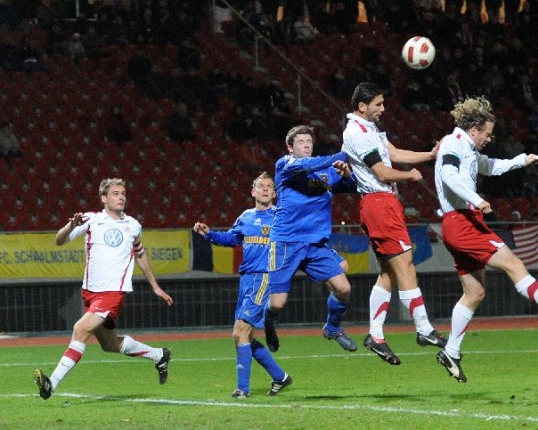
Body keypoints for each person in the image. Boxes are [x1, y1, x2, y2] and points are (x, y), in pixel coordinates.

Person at [433, 96, 538, 383]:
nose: (489, 137)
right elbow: (447, 175)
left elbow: (492, 166)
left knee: (475, 293)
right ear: (474, 130)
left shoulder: (467, 148)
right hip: (462, 221)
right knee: (513, 263)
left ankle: (451, 351)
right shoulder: (453, 144)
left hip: (459, 223)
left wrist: (522, 160)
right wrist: (476, 198)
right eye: (487, 133)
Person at [34, 178, 173, 400]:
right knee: (110, 344)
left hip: (112, 293)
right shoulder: (90, 220)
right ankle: (159, 355)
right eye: (116, 193)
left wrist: (155, 286)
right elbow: (59, 241)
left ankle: (52, 383)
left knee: (80, 330)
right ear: (104, 198)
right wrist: (71, 224)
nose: (121, 197)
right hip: (90, 292)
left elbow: (140, 253)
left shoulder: (133, 225)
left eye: (123, 193)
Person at [343, 81, 447, 365]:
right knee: (406, 265)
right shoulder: (357, 133)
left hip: (381, 203)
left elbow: (396, 155)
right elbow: (382, 171)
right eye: (378, 104)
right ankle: (424, 329)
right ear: (362, 106)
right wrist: (410, 176)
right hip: (379, 203)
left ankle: (375, 336)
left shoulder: (370, 129)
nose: (383, 109)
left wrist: (430, 155)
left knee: (389, 273)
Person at [193, 172, 293, 397]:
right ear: (253, 191)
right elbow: (231, 239)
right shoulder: (245, 217)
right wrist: (209, 235)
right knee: (241, 335)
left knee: (240, 332)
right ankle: (280, 377)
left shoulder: (281, 216)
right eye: (261, 186)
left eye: (269, 186)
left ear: (275, 193)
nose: (265, 189)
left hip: (265, 277)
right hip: (247, 278)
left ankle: (243, 389)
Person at [264, 125, 357, 354]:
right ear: (290, 146)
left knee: (344, 288)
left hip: (314, 243)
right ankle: (268, 321)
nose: (306, 145)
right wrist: (343, 154)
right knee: (277, 303)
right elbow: (310, 164)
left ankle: (332, 328)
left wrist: (346, 174)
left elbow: (353, 186)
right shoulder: (285, 165)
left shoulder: (326, 172)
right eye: (301, 142)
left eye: (309, 141)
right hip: (286, 242)